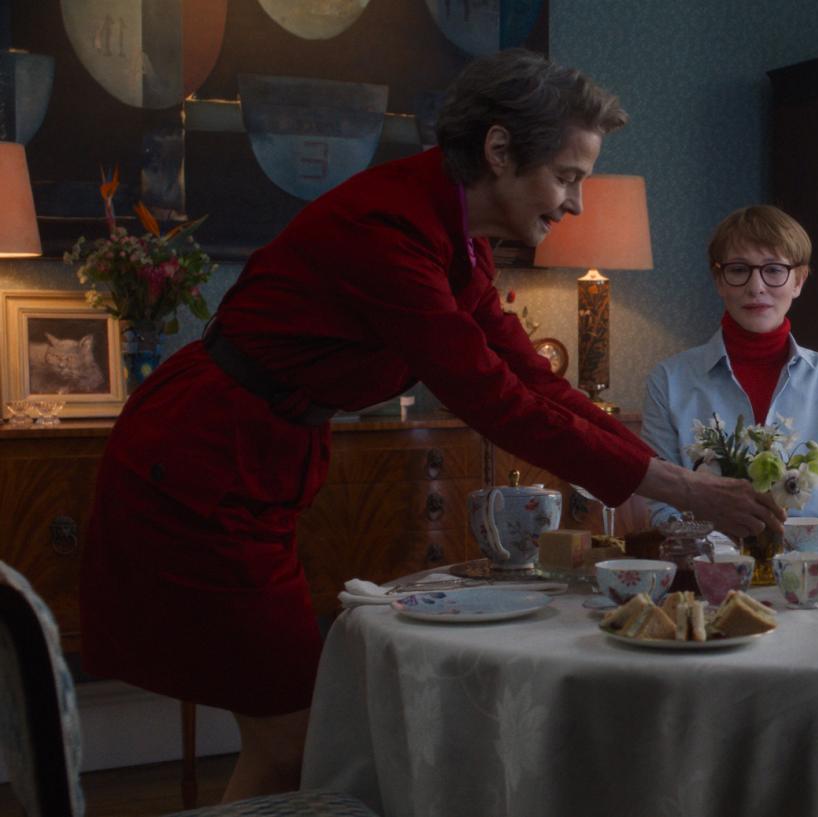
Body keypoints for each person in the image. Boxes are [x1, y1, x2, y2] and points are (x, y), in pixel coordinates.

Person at [77, 50, 782, 803]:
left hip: (257, 456)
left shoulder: (458, 238)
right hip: (200, 459)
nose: (576, 203)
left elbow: (535, 380)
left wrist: (672, 478)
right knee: (290, 738)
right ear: (500, 150)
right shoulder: (389, 229)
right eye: (567, 176)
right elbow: (493, 399)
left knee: (288, 733)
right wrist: (684, 489)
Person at [641, 205, 818, 529]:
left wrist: (803, 553)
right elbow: (664, 511)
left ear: (798, 281)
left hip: (814, 558)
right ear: (719, 280)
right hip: (706, 557)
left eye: (773, 270)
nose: (756, 286)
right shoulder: (669, 381)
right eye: (738, 269)